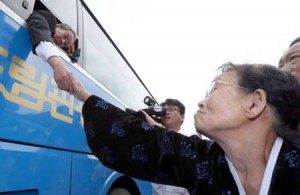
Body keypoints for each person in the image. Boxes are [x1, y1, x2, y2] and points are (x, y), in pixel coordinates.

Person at [69, 62, 300, 194]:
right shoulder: (203, 161)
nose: (201, 101)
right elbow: (137, 140)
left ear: (254, 103)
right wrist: (81, 92)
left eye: (214, 88)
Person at [27, 10, 76, 91]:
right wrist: (57, 65)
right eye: (65, 36)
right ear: (58, 26)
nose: (62, 41)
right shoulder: (47, 18)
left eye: (64, 45)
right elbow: (39, 24)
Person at [151, 99, 189, 195]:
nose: (167, 112)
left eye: (172, 109)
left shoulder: (191, 140)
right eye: (164, 110)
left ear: (182, 117)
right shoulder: (153, 140)